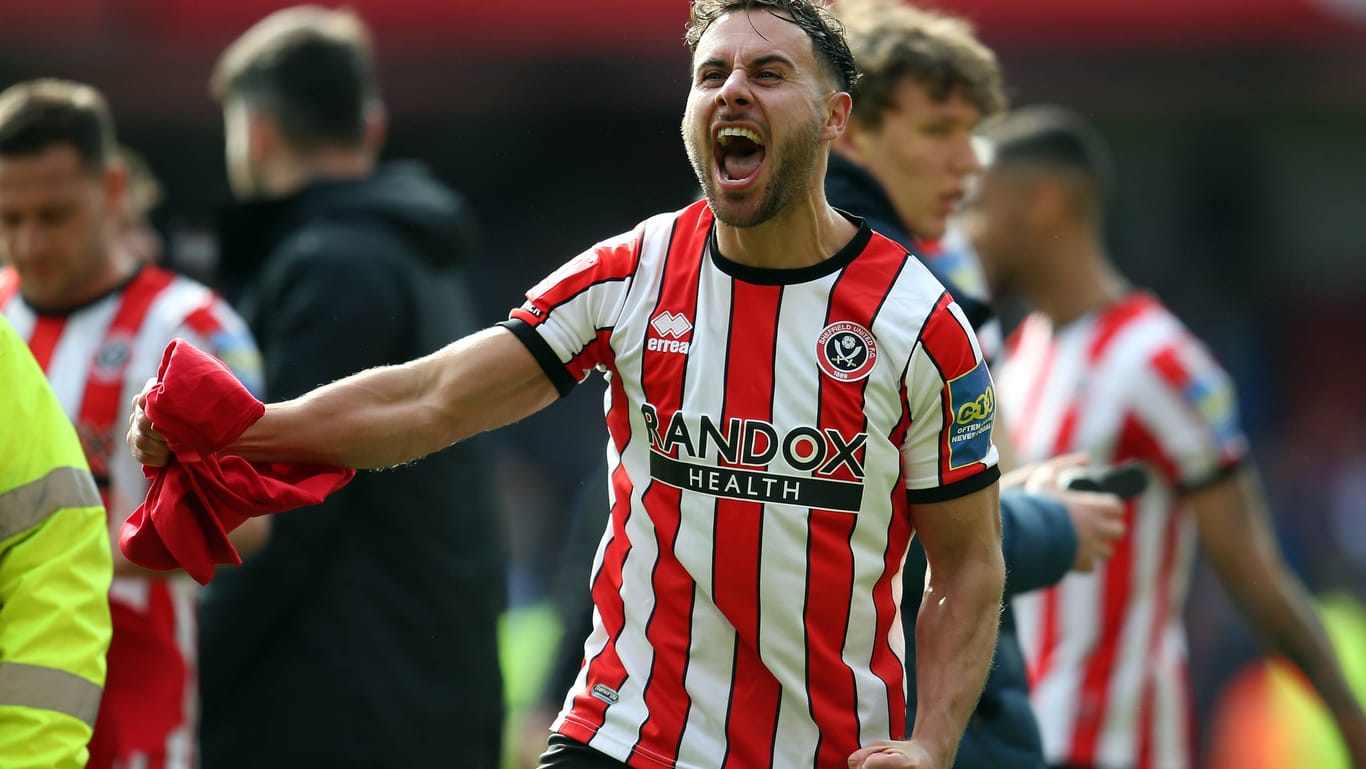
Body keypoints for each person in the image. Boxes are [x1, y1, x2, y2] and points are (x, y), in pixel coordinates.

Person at [132, 1, 1008, 768]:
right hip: (621, 737)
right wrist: (240, 430)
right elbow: (430, 397)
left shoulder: (921, 325)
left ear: (833, 117)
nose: (732, 90)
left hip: (824, 748)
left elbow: (968, 563)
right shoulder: (631, 273)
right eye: (711, 75)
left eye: (769, 73)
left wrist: (930, 742)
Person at [963, 104, 1366, 769]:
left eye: (980, 207)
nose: (966, 231)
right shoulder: (1022, 354)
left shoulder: (1160, 360)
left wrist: (1349, 720)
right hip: (1021, 737)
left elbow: (1253, 571)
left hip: (1119, 744)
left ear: (1044, 202)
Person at [197, 7, 505, 769]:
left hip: (335, 710)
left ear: (257, 132)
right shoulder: (417, 256)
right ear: (371, 126)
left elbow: (283, 508)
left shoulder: (333, 265)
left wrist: (193, 671)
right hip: (431, 689)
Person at [823, 4, 1126, 767]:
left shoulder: (908, 267)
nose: (970, 159)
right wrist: (1054, 524)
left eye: (972, 131)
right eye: (937, 130)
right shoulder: (883, 292)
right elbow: (909, 537)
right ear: (849, 127)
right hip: (924, 721)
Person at [0, 78, 266, 769]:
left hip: (139, 717)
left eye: (54, 215)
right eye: (9, 217)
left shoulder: (194, 329)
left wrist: (63, 550)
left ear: (114, 189)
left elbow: (251, 517)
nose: (29, 243)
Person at [0, 314, 113, 769]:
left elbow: (52, 541)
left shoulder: (183, 318)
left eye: (52, 233)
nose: (30, 247)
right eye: (13, 234)